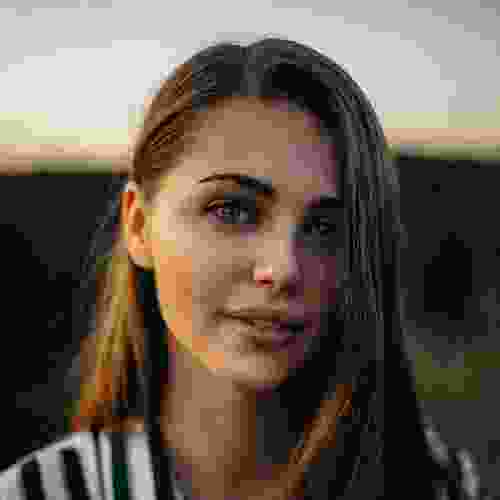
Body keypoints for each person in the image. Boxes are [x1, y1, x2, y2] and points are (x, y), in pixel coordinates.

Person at [0, 36, 493, 500]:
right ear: (138, 226)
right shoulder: (37, 492)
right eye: (232, 210)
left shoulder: (444, 488)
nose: (284, 267)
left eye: (326, 227)